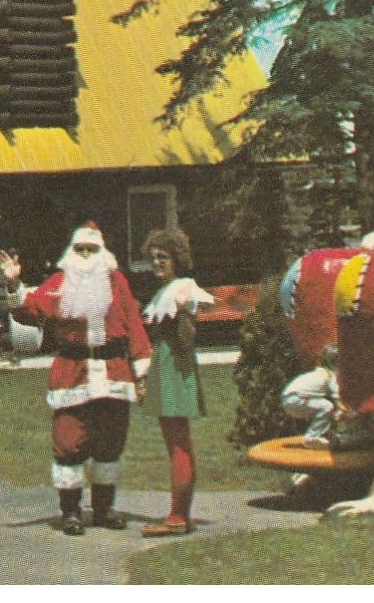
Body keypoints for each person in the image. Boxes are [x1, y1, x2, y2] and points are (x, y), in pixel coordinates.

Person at [0, 221, 152, 536]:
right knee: (69, 440)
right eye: (80, 249)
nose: (85, 255)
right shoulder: (59, 283)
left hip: (113, 372)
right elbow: (31, 309)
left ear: (102, 252)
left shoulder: (116, 282)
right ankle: (70, 511)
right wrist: (14, 285)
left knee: (110, 441)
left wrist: (141, 373)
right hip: (73, 373)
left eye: (91, 249)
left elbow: (134, 325)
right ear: (71, 251)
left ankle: (104, 509)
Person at [137, 227, 214, 538]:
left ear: (177, 260)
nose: (157, 262)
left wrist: (182, 313)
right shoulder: (166, 289)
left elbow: (187, 340)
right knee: (177, 442)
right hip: (167, 367)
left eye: (163, 257)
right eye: (153, 257)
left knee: (178, 444)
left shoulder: (183, 288)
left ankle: (178, 517)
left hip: (175, 369)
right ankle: (180, 513)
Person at [281, 344, 342, 448]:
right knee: (327, 406)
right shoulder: (331, 376)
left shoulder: (318, 372)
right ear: (336, 363)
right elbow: (339, 403)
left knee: (322, 408)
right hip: (296, 399)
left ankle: (323, 434)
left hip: (287, 399)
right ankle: (311, 438)